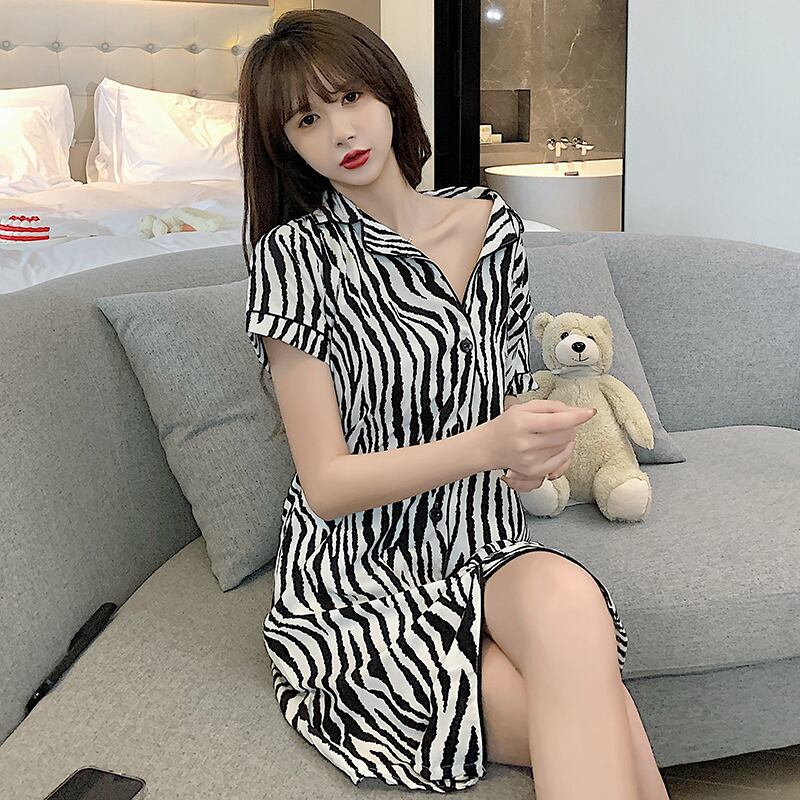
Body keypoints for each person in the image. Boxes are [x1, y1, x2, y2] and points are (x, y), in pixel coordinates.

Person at [238, 9, 670, 800]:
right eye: (307, 119)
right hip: (364, 576)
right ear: (286, 145)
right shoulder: (293, 259)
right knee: (597, 713)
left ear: (389, 94)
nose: (341, 130)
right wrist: (489, 446)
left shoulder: (493, 224)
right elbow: (327, 484)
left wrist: (533, 455)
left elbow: (501, 400)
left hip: (486, 540)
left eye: (351, 96)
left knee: (570, 601)